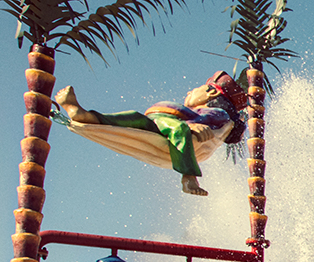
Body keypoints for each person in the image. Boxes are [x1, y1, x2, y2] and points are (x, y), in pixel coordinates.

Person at [54, 71, 247, 196]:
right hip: (157, 122)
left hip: (170, 127)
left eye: (197, 90)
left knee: (179, 129)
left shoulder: (217, 113)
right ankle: (84, 115)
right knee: (131, 118)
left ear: (211, 94)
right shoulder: (198, 112)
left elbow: (207, 126)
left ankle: (189, 177)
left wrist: (194, 127)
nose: (190, 91)